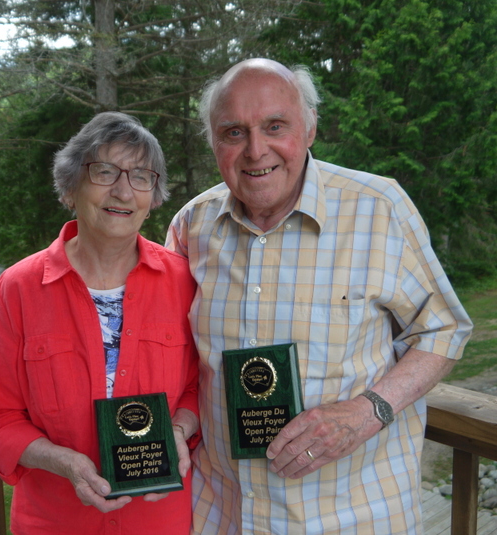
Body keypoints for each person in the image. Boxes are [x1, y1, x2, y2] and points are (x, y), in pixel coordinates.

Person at [165, 58, 473, 534]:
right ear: (213, 142)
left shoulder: (379, 209)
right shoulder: (192, 226)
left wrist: (366, 412)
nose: (255, 149)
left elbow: (444, 328)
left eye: (274, 126)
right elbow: (171, 353)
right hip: (224, 515)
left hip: (353, 517)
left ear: (308, 130)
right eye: (233, 132)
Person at [0, 111, 200, 535]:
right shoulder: (17, 289)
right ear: (71, 186)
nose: (123, 191)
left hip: (160, 520)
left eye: (141, 176)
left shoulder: (185, 283)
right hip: (54, 521)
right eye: (105, 171)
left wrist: (180, 433)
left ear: (153, 196)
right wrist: (63, 462)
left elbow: (199, 386)